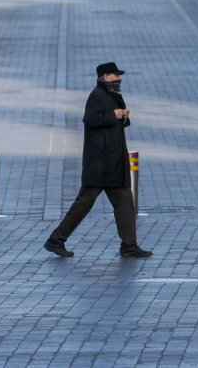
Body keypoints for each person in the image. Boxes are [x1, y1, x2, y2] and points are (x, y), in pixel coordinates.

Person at [44, 62, 153, 258]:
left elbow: (114, 122)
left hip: (114, 164)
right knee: (83, 203)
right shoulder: (97, 95)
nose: (119, 79)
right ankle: (55, 240)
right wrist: (113, 115)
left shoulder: (113, 94)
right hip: (100, 165)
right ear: (105, 77)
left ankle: (129, 246)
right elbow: (90, 119)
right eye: (115, 76)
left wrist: (123, 117)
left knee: (125, 204)